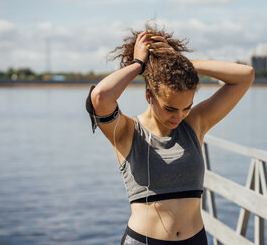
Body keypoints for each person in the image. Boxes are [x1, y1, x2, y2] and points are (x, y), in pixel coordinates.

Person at [85, 24, 254, 245]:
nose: (179, 116)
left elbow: (245, 75)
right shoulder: (127, 131)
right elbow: (100, 97)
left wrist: (181, 63)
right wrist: (139, 64)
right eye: (170, 108)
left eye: (187, 107)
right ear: (149, 96)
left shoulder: (194, 124)